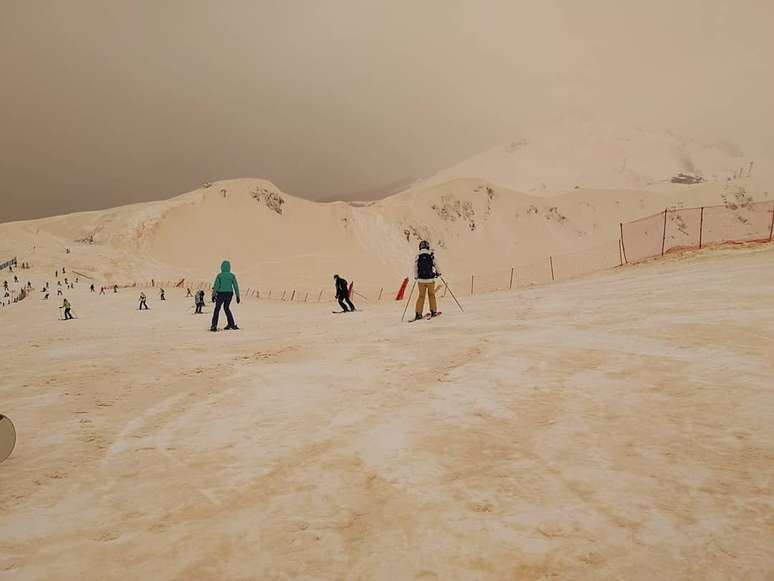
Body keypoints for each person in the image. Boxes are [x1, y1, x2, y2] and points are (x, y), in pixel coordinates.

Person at [412, 240, 441, 321]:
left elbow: (415, 267)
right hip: (430, 280)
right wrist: (439, 273)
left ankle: (418, 314)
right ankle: (433, 311)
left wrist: (416, 276)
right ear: (427, 246)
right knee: (431, 295)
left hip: (421, 280)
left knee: (421, 296)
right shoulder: (431, 254)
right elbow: (436, 265)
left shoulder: (418, 255)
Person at [210, 260, 240, 331]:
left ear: (222, 267)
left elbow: (216, 286)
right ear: (229, 267)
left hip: (221, 294)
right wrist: (237, 296)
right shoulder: (232, 276)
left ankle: (214, 325)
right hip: (229, 294)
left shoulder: (219, 276)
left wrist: (213, 295)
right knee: (226, 308)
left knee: (217, 309)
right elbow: (236, 286)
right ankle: (231, 324)